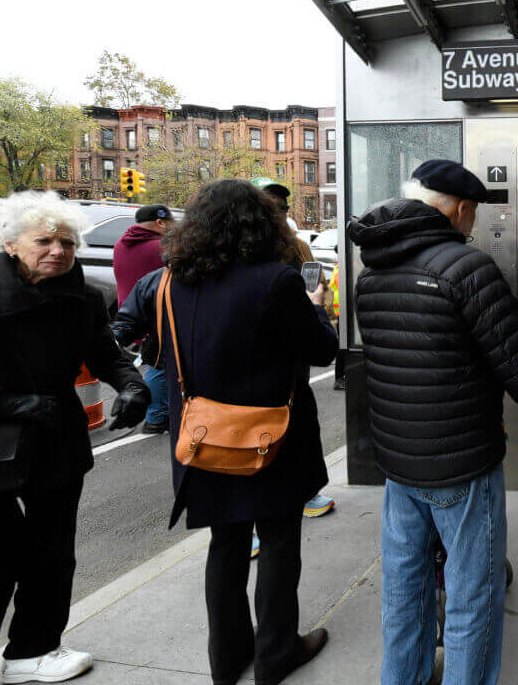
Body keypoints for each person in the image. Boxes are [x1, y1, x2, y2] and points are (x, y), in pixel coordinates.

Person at [348, 159, 518, 685]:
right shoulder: (467, 269)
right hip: (463, 468)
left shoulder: (372, 269)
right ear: (463, 209)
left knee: (405, 590)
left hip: (399, 466)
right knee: (473, 595)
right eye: (472, 218)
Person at [112, 179, 337, 685]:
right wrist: (316, 303)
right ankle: (276, 654)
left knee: (226, 545)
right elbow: (322, 350)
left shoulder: (164, 282)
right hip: (273, 438)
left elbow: (120, 328)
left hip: (202, 437)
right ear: (262, 226)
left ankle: (227, 659)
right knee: (278, 543)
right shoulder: (277, 282)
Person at [0, 191, 149, 684]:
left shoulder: (82, 296)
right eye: (43, 240)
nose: (57, 251)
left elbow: (106, 353)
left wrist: (132, 386)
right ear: (10, 244)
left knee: (52, 551)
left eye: (66, 241)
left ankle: (33, 651)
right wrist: (14, 403)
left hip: (56, 440)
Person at [251, 177, 336, 521]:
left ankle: (307, 491)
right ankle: (255, 515)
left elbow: (317, 289)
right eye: (270, 207)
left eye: (283, 208)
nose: (278, 214)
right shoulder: (230, 251)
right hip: (251, 361)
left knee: (300, 421)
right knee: (254, 435)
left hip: (292, 355)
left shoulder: (297, 247)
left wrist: (319, 302)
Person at [112, 203, 175, 434]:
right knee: (161, 366)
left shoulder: (121, 244)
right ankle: (156, 418)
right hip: (157, 316)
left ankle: (157, 415)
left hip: (131, 315)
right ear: (160, 222)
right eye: (170, 223)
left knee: (155, 363)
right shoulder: (160, 247)